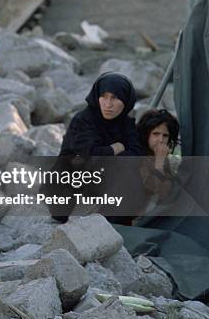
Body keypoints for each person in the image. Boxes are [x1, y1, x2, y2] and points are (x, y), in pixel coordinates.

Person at [44, 72, 143, 222]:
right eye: (104, 96)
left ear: (126, 100)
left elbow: (135, 153)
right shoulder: (83, 120)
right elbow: (89, 153)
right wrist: (115, 149)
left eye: (114, 98)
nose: (108, 104)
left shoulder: (126, 123)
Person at [136, 109, 180, 215]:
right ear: (147, 135)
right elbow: (151, 188)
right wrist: (159, 162)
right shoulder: (137, 156)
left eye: (165, 136)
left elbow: (166, 191)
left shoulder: (159, 156)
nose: (161, 140)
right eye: (155, 134)